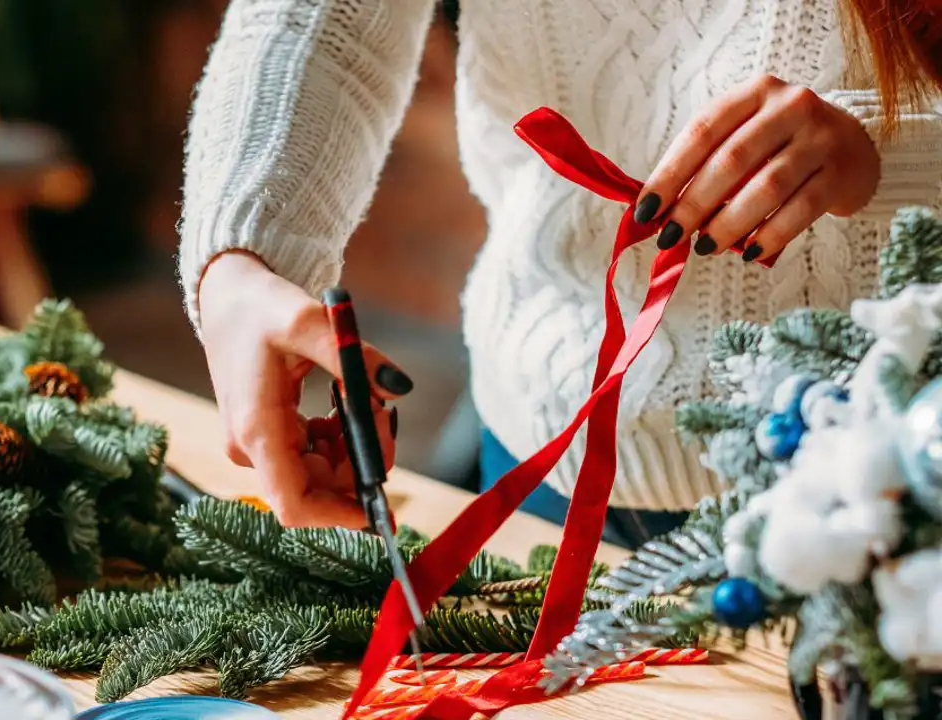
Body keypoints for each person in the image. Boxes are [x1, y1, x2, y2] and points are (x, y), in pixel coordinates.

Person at [178, 0, 942, 548]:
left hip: (886, 469)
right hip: (543, 443)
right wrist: (245, 259)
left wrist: (892, 153)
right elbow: (322, 23)